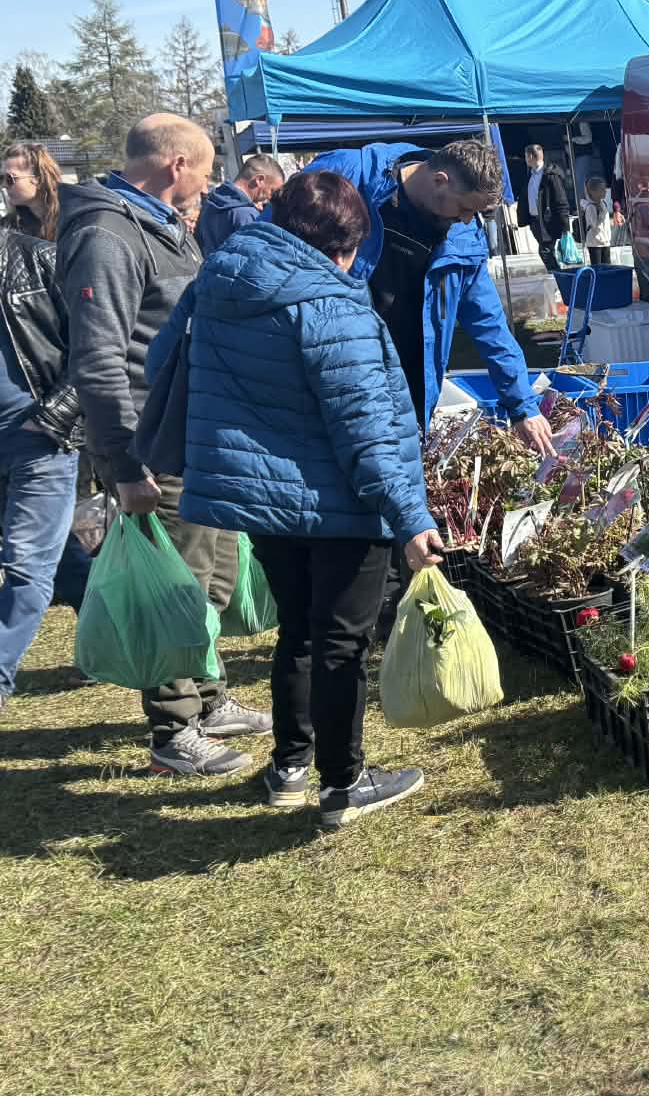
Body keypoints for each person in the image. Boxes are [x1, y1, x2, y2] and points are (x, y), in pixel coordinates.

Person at [156, 171, 443, 828]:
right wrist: (410, 517)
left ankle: (289, 767)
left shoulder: (218, 280)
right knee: (342, 642)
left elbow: (162, 365)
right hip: (339, 500)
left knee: (300, 632)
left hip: (264, 499)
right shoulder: (330, 304)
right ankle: (344, 783)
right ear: (345, 246)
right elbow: (367, 428)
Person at [57, 113, 271, 774]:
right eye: (204, 172)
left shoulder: (160, 226)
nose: (209, 186)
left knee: (209, 579)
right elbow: (98, 360)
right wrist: (124, 465)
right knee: (176, 588)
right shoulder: (107, 235)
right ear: (177, 164)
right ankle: (174, 732)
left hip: (195, 434)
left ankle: (207, 699)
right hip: (156, 445)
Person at [293, 138, 551, 451]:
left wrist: (523, 405)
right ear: (440, 180)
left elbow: (489, 322)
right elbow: (271, 253)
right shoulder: (350, 176)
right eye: (465, 208)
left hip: (409, 384)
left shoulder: (464, 234)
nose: (467, 219)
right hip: (333, 372)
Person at [0, 141, 85, 710]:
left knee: (27, 563)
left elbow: (92, 347)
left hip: (36, 437)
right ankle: (111, 635)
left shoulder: (40, 258)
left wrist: (56, 416)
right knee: (61, 557)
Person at [195, 152, 284, 257]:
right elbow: (255, 257)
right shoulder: (246, 214)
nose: (270, 198)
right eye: (272, 191)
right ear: (259, 180)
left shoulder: (209, 203)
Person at [520, 143, 573, 272]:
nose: (525, 159)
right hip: (535, 221)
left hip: (548, 221)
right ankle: (557, 274)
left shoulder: (550, 174)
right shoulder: (531, 175)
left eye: (526, 156)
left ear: (531, 156)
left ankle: (558, 275)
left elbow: (561, 200)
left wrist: (565, 226)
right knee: (546, 251)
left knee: (545, 251)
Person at [578, 175, 625, 263]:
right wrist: (600, 213)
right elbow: (595, 225)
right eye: (602, 190)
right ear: (593, 192)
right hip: (595, 243)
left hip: (605, 241)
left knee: (607, 265)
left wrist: (613, 221)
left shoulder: (603, 203)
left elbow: (605, 221)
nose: (605, 191)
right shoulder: (591, 207)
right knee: (598, 266)